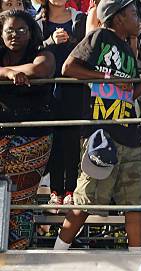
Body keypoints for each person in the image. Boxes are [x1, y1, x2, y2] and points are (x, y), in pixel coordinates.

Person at [53, 0, 141, 251]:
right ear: (117, 18)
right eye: (133, 13)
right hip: (101, 135)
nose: (138, 18)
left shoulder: (129, 51)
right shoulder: (98, 36)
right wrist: (108, 76)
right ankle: (57, 252)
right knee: (85, 198)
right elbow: (69, 67)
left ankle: (136, 259)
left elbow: (128, 94)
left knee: (135, 201)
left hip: (129, 133)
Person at [0, 9, 55, 249]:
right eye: (9, 30)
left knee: (21, 201)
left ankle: (18, 252)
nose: (15, 35)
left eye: (21, 30)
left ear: (31, 32)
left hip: (33, 140)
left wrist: (17, 72)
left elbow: (39, 71)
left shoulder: (43, 54)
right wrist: (9, 73)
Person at [36, 0, 86, 211]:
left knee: (73, 138)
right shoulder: (37, 23)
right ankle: (55, 191)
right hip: (47, 91)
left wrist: (71, 40)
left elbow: (88, 47)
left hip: (74, 88)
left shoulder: (79, 19)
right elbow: (32, 51)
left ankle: (71, 190)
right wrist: (49, 41)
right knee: (54, 139)